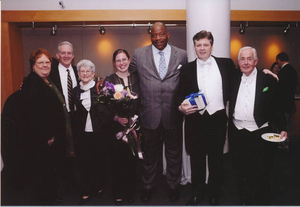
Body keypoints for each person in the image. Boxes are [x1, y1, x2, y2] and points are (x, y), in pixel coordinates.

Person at [129, 22, 187, 203]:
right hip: (149, 114)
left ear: (167, 34)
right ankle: (147, 187)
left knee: (173, 154)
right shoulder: (139, 54)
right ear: (150, 36)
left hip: (173, 114)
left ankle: (173, 186)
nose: (158, 38)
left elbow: (187, 79)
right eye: (154, 35)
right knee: (149, 156)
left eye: (161, 34)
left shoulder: (182, 54)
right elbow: (129, 75)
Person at [176, 30, 236, 205]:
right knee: (197, 160)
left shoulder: (226, 64)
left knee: (217, 159)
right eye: (198, 45)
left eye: (205, 45)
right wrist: (181, 106)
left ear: (211, 46)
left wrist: (265, 73)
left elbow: (241, 78)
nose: (202, 48)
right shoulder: (187, 69)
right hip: (195, 120)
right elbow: (180, 93)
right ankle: (197, 194)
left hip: (217, 118)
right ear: (194, 46)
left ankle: (215, 193)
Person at [13, 48, 74, 205]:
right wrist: (47, 136)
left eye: (47, 62)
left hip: (53, 139)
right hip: (44, 140)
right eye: (40, 62)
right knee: (43, 176)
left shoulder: (47, 80)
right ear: (33, 65)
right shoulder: (31, 83)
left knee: (50, 174)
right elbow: (31, 115)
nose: (45, 65)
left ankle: (50, 198)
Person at [228, 46, 287, 205]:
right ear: (238, 61)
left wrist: (282, 127)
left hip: (260, 133)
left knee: (262, 172)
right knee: (240, 171)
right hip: (238, 132)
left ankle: (261, 202)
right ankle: (244, 201)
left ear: (256, 61)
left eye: (249, 59)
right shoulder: (233, 78)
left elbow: (276, 106)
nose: (245, 62)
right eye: (242, 59)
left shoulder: (267, 79)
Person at [72, 59, 114, 205]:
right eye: (82, 71)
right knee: (84, 162)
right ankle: (86, 190)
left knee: (99, 160)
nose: (85, 74)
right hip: (82, 133)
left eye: (88, 71)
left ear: (93, 73)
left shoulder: (99, 88)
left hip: (99, 131)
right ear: (78, 74)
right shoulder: (75, 91)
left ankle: (99, 187)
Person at [104, 49, 141, 205]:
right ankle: (118, 193)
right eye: (118, 61)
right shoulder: (109, 80)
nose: (121, 63)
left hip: (135, 127)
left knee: (132, 162)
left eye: (124, 59)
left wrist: (137, 121)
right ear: (114, 63)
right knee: (117, 162)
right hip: (116, 129)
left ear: (129, 59)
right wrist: (116, 118)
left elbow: (142, 101)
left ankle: (130, 192)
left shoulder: (137, 78)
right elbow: (104, 105)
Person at [49, 41, 79, 197]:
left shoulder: (78, 71)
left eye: (69, 53)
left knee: (76, 153)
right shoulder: (50, 74)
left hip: (77, 119)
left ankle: (75, 184)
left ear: (73, 56)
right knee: (60, 154)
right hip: (59, 120)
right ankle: (61, 188)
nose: (66, 55)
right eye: (63, 53)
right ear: (57, 55)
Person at [276, 52, 298, 150]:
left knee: (283, 126)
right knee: (287, 126)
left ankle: (283, 145)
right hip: (290, 104)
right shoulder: (293, 71)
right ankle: (285, 144)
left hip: (282, 105)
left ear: (279, 60)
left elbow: (279, 91)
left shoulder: (282, 72)